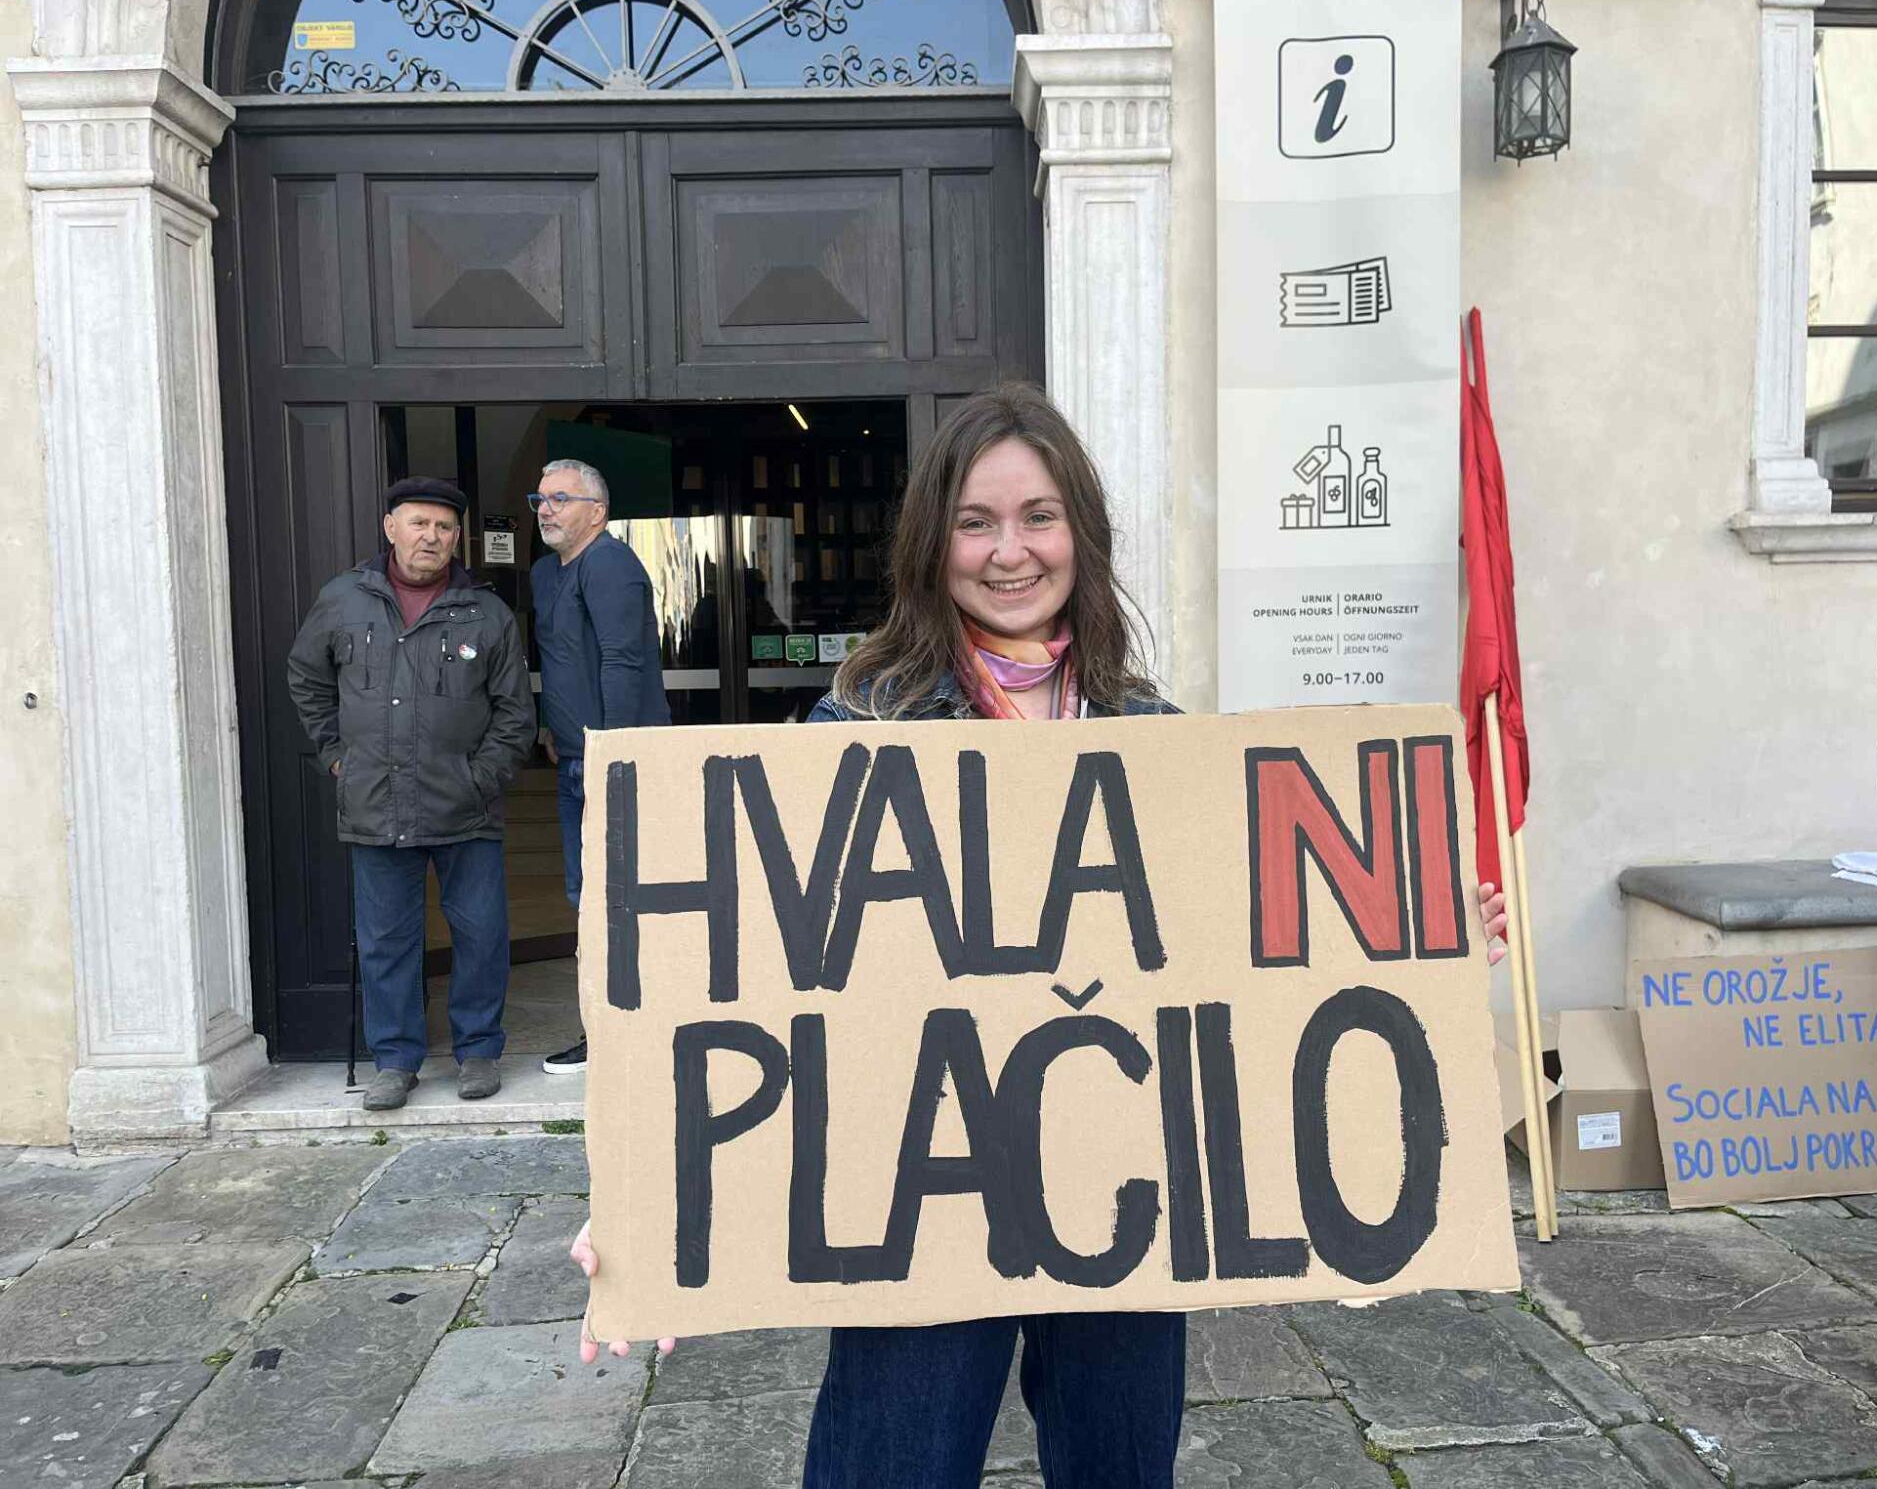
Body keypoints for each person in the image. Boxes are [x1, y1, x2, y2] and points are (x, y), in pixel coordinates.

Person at [565, 384, 1510, 1486]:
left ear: (1081, 535)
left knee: (1117, 1468)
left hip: (1124, 1187)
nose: (1008, 552)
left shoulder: (1149, 732)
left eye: (1038, 516)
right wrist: (648, 1183)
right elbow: (737, 979)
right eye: (975, 522)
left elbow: (1240, 954)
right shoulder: (857, 723)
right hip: (919, 1190)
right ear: (933, 543)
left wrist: (1411, 944)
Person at [287, 476, 535, 1111]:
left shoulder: (487, 611)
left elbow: (515, 714)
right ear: (391, 527)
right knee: (386, 938)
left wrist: (481, 777)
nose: (433, 536)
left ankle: (478, 1051)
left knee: (481, 933)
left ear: (458, 538)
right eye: (419, 523)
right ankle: (395, 1061)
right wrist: (338, 755)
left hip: (466, 805)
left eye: (445, 527)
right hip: (376, 801)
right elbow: (307, 677)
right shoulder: (344, 600)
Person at [529, 458, 672, 1076]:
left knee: (623, 899)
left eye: (561, 498)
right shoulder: (543, 573)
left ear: (598, 512)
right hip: (576, 760)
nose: (546, 508)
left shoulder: (610, 564)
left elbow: (622, 662)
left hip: (618, 764)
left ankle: (637, 1031)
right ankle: (609, 1031)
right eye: (540, 497)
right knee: (588, 899)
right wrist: (549, 726)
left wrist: (611, 753)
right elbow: (558, 660)